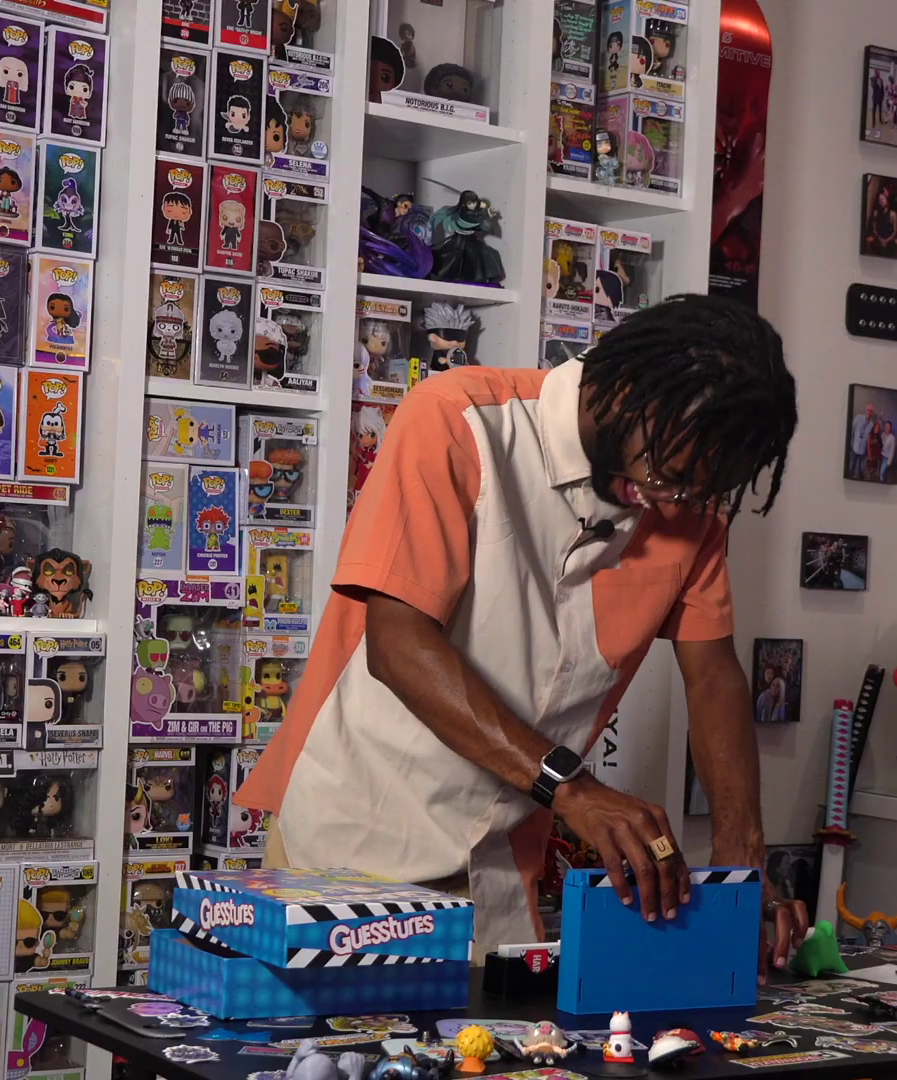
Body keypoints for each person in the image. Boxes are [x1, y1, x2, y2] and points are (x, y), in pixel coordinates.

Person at [240, 294, 810, 968]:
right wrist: (574, 790)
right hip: (347, 844)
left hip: (500, 870)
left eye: (697, 491)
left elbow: (713, 676)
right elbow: (398, 645)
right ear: (626, 388)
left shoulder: (689, 511)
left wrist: (742, 865)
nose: (671, 505)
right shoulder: (459, 419)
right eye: (668, 476)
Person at [849, 404, 876, 478]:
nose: (869, 413)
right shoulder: (858, 418)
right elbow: (852, 431)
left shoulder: (871, 425)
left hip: (862, 450)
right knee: (852, 466)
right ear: (865, 410)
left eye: (871, 411)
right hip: (854, 447)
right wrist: (850, 443)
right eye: (868, 410)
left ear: (872, 413)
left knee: (860, 469)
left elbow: (869, 437)